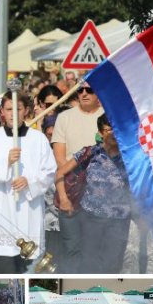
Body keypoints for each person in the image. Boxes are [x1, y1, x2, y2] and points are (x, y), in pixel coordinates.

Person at [0, 91, 56, 272]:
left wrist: (29, 181)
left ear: (26, 110)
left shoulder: (39, 139)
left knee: (29, 267)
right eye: (9, 109)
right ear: (1, 112)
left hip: (30, 209)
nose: (13, 113)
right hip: (2, 206)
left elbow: (49, 171)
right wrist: (7, 163)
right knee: (4, 267)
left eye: (17, 109)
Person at [55, 114, 131, 273]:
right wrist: (64, 199)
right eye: (108, 130)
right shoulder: (90, 152)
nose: (113, 134)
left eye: (116, 130)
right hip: (91, 218)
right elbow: (60, 173)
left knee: (112, 265)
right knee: (89, 264)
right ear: (101, 132)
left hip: (119, 219)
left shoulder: (130, 156)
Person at [51, 82, 104, 273]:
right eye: (79, 90)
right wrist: (65, 194)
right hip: (70, 190)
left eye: (89, 89)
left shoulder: (107, 116)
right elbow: (60, 159)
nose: (84, 93)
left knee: (95, 250)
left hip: (101, 193)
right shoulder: (64, 117)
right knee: (72, 248)